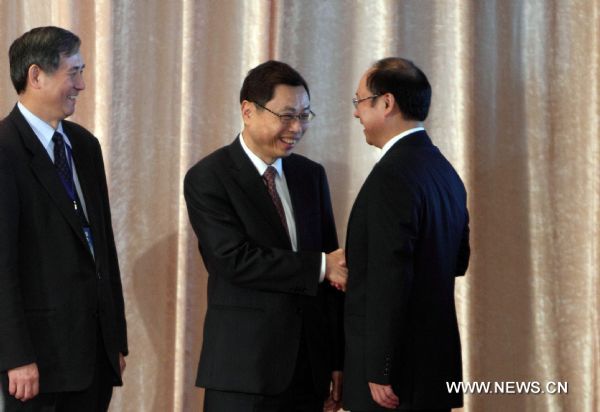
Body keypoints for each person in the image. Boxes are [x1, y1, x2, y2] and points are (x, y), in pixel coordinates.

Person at [184, 60, 347, 412]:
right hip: (243, 373)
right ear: (248, 111)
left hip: (308, 371)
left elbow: (332, 279)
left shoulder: (310, 176)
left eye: (304, 116)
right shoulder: (209, 177)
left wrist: (337, 360)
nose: (297, 128)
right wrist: (319, 266)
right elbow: (232, 259)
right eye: (286, 116)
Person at [0, 26, 128, 411]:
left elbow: (103, 247)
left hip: (94, 356)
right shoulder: (5, 150)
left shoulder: (84, 146)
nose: (83, 84)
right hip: (37, 362)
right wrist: (15, 356)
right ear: (36, 75)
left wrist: (115, 339)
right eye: (73, 72)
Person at [342, 57, 470, 411]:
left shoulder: (392, 176)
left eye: (359, 102)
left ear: (386, 103)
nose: (356, 114)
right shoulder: (445, 172)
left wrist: (380, 367)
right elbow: (458, 261)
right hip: (433, 365)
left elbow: (390, 275)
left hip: (394, 379)